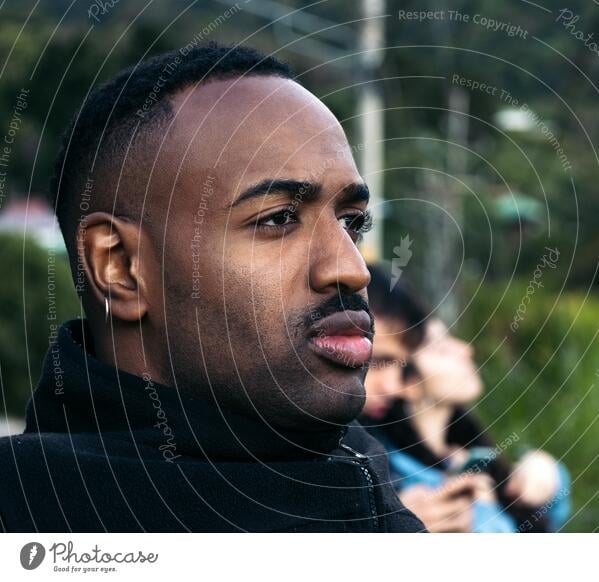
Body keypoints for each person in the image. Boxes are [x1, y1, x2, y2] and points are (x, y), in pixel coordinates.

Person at [0, 44, 424, 532]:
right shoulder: (33, 517)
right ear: (119, 266)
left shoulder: (360, 472)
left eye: (352, 222)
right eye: (279, 218)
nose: (352, 269)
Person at [361, 265, 570, 532]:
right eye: (440, 348)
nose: (464, 349)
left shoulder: (462, 454)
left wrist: (550, 476)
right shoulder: (393, 480)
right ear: (410, 379)